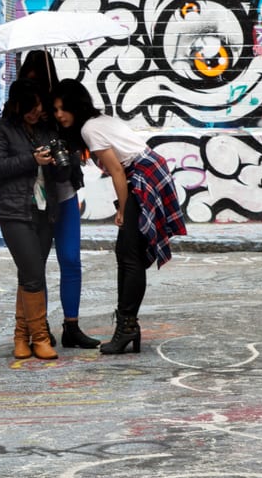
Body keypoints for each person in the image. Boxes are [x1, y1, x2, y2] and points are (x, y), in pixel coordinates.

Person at [50, 79, 187, 354]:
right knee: (126, 253)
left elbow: (117, 172)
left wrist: (122, 210)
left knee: (130, 255)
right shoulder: (97, 121)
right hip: (148, 169)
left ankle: (127, 327)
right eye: (55, 110)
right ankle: (127, 325)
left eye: (63, 109)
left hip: (142, 174)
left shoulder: (90, 129)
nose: (59, 115)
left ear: (76, 107)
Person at [20, 50, 100, 349]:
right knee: (35, 266)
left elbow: (78, 150)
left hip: (64, 195)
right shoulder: (17, 115)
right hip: (35, 202)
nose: (36, 88)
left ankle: (71, 326)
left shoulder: (59, 111)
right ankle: (37, 329)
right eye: (30, 83)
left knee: (70, 260)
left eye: (40, 81)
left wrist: (57, 127)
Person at [0, 79, 69, 360]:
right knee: (34, 273)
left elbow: (58, 176)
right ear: (18, 104)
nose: (36, 113)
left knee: (28, 273)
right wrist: (32, 159)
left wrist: (60, 162)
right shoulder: (1, 130)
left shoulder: (46, 130)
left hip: (45, 210)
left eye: (39, 107)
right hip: (14, 211)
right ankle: (40, 339)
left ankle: (21, 337)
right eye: (31, 108)